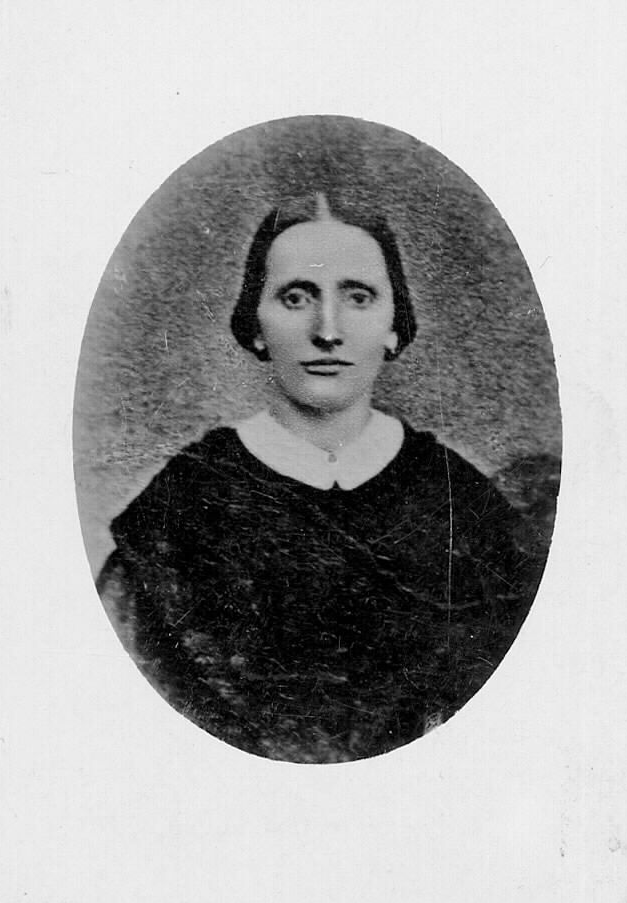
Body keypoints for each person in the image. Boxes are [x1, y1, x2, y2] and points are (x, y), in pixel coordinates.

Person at [97, 190, 547, 763]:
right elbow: (126, 703)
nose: (327, 330)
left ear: (394, 324)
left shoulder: (459, 499)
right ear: (256, 325)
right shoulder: (182, 505)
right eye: (296, 297)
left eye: (358, 297)